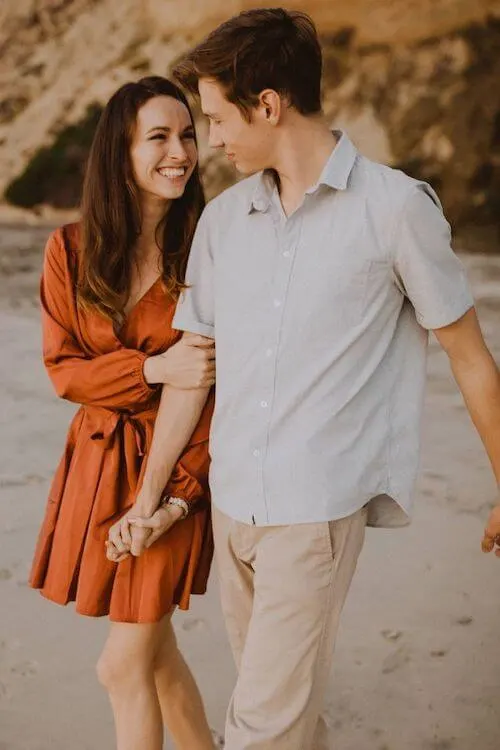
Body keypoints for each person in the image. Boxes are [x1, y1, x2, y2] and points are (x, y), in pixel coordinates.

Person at [111, 9, 500, 750]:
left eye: (218, 118)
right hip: (234, 509)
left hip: (316, 512)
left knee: (258, 729)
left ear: (268, 104)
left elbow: (471, 355)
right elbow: (193, 374)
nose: (210, 141)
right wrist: (148, 496)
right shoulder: (225, 222)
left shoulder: (395, 210)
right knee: (291, 718)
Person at [29, 76, 217, 750]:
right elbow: (64, 372)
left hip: (176, 475)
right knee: (155, 656)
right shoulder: (70, 250)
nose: (181, 152)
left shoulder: (208, 248)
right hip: (94, 467)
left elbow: (214, 393)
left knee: (120, 665)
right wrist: (149, 370)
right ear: (120, 151)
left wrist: (174, 498)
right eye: (159, 137)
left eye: (189, 134)